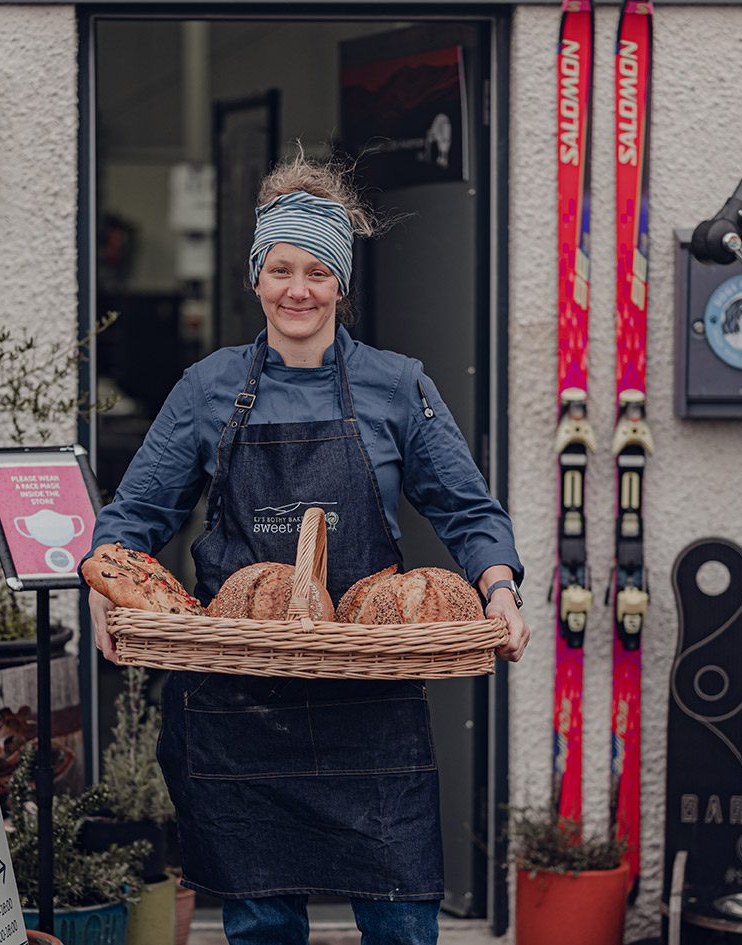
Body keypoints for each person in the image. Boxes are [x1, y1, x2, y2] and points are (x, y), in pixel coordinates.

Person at [87, 147, 530, 945]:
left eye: (317, 272)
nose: (298, 289)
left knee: (401, 922)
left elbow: (468, 510)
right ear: (256, 277)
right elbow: (135, 516)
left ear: (341, 285)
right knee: (260, 926)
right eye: (281, 269)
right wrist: (101, 589)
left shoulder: (399, 385)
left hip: (368, 696)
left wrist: (498, 588)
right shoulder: (207, 387)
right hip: (239, 696)